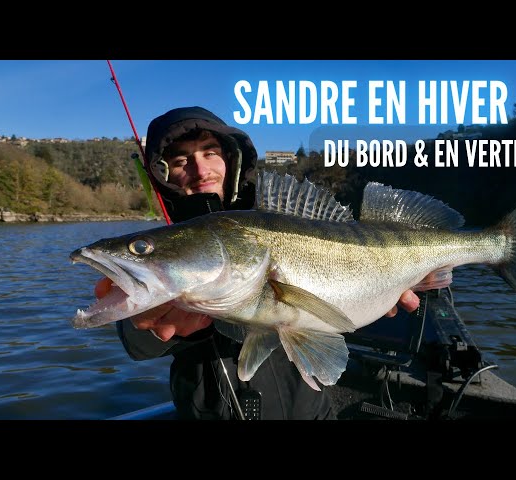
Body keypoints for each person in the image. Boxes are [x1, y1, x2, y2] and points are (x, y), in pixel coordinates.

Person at [95, 106, 420, 420]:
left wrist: (384, 291)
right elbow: (137, 343)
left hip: (312, 412)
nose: (200, 169)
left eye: (210, 152)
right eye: (181, 160)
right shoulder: (169, 252)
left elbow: (342, 306)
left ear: (230, 158)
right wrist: (147, 326)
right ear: (163, 174)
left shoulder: (280, 216)